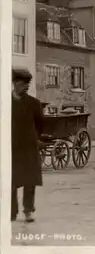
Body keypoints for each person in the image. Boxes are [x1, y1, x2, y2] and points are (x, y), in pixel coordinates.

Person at [11, 68, 44, 222]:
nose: (26, 86)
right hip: (11, 147)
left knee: (30, 180)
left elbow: (40, 125)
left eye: (28, 84)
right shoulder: (5, 102)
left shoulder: (34, 104)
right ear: (15, 83)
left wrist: (34, 138)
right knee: (10, 180)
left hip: (29, 147)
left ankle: (28, 210)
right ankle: (11, 211)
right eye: (23, 83)